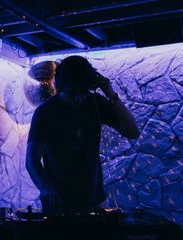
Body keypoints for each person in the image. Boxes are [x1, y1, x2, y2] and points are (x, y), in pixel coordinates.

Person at [26, 55, 139, 213]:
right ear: (60, 86)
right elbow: (32, 159)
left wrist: (110, 93)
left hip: (94, 201)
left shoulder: (95, 102)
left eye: (83, 92)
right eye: (72, 92)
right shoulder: (45, 112)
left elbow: (132, 132)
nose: (78, 98)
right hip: (59, 204)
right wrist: (45, 187)